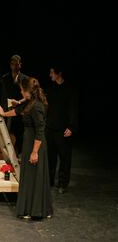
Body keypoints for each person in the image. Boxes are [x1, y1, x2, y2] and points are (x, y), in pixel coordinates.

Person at [0, 77, 53, 219]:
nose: (21, 93)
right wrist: (4, 113)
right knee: (29, 175)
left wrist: (35, 152)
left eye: (22, 90)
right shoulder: (30, 103)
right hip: (29, 142)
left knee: (34, 176)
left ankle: (35, 210)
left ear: (28, 91)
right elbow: (18, 111)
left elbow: (40, 130)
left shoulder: (37, 106)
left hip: (36, 144)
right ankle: (29, 208)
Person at [46, 64, 79, 194]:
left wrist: (72, 127)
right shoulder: (51, 88)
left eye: (52, 72)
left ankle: (62, 183)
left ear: (59, 73)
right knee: (50, 157)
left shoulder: (70, 90)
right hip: (50, 127)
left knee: (64, 157)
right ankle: (49, 181)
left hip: (63, 129)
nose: (50, 75)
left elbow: (73, 109)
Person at [0, 55, 29, 157]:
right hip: (6, 112)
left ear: (20, 65)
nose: (14, 66)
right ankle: (6, 158)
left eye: (16, 64)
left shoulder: (25, 79)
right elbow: (2, 95)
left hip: (19, 113)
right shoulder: (5, 78)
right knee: (5, 135)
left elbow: (29, 97)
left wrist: (19, 102)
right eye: (12, 64)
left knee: (18, 136)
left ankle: (18, 157)